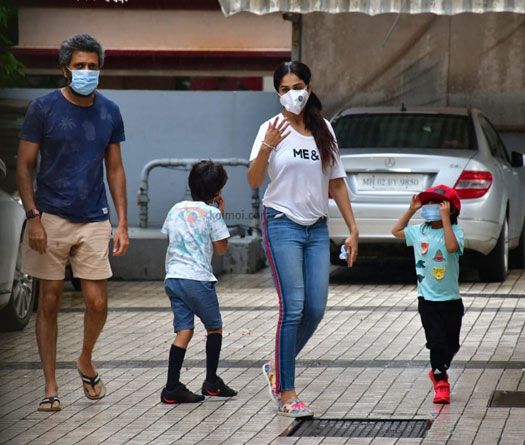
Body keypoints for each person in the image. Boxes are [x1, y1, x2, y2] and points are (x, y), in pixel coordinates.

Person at [16, 34, 129, 412]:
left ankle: (85, 359)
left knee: (97, 302)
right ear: (65, 69)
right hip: (49, 216)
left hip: (94, 217)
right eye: (80, 66)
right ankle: (50, 386)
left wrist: (122, 222)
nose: (86, 72)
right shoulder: (43, 108)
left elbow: (115, 168)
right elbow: (24, 166)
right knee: (48, 301)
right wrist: (33, 217)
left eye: (93, 66)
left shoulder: (110, 111)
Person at [247, 61, 359, 417]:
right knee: (293, 308)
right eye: (284, 89)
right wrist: (267, 146)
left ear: (308, 89)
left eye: (298, 87)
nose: (292, 94)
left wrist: (352, 228)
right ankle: (287, 392)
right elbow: (254, 180)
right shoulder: (270, 128)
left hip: (317, 228)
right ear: (277, 93)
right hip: (282, 223)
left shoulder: (323, 128)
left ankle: (276, 366)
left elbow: (336, 182)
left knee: (315, 308)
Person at [160, 160, 237, 404]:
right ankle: (211, 382)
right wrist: (220, 216)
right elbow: (221, 249)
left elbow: (170, 241)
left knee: (184, 330)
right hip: (198, 279)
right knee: (214, 328)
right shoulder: (212, 214)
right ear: (218, 191)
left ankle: (172, 387)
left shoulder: (175, 209)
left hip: (173, 278)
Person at [392, 185, 464, 404]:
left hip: (451, 300)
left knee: (452, 345)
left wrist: (445, 219)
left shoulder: (456, 232)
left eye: (437, 203)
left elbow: (450, 247)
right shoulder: (419, 231)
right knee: (436, 343)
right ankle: (441, 383)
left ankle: (439, 368)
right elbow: (396, 231)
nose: (431, 207)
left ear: (451, 209)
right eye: (428, 203)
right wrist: (411, 209)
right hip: (428, 300)